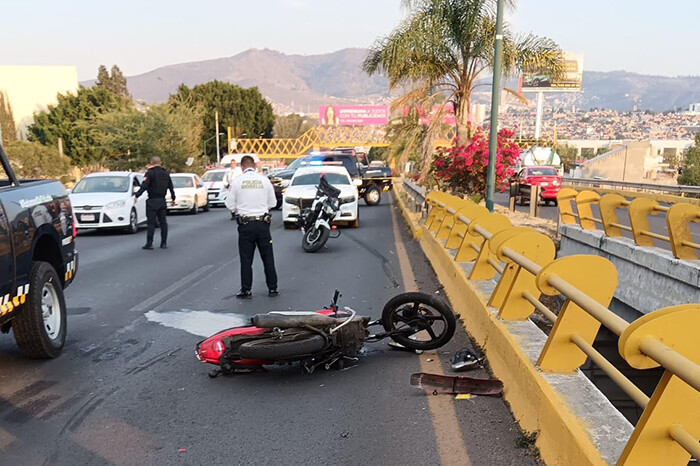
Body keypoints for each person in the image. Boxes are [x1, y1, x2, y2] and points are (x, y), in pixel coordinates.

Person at [225, 155, 278, 298]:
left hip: (245, 224)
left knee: (246, 259)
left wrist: (240, 208)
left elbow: (229, 204)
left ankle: (246, 289)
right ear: (254, 166)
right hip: (262, 223)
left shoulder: (237, 182)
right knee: (268, 257)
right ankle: (272, 288)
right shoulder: (264, 180)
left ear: (242, 167)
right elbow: (273, 203)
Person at [134, 156, 175, 250]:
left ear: (151, 163)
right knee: (163, 222)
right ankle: (163, 243)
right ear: (160, 162)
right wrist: (173, 198)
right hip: (162, 200)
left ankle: (149, 243)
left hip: (152, 201)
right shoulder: (165, 173)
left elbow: (144, 186)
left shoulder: (150, 173)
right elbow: (171, 187)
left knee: (151, 223)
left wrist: (137, 195)